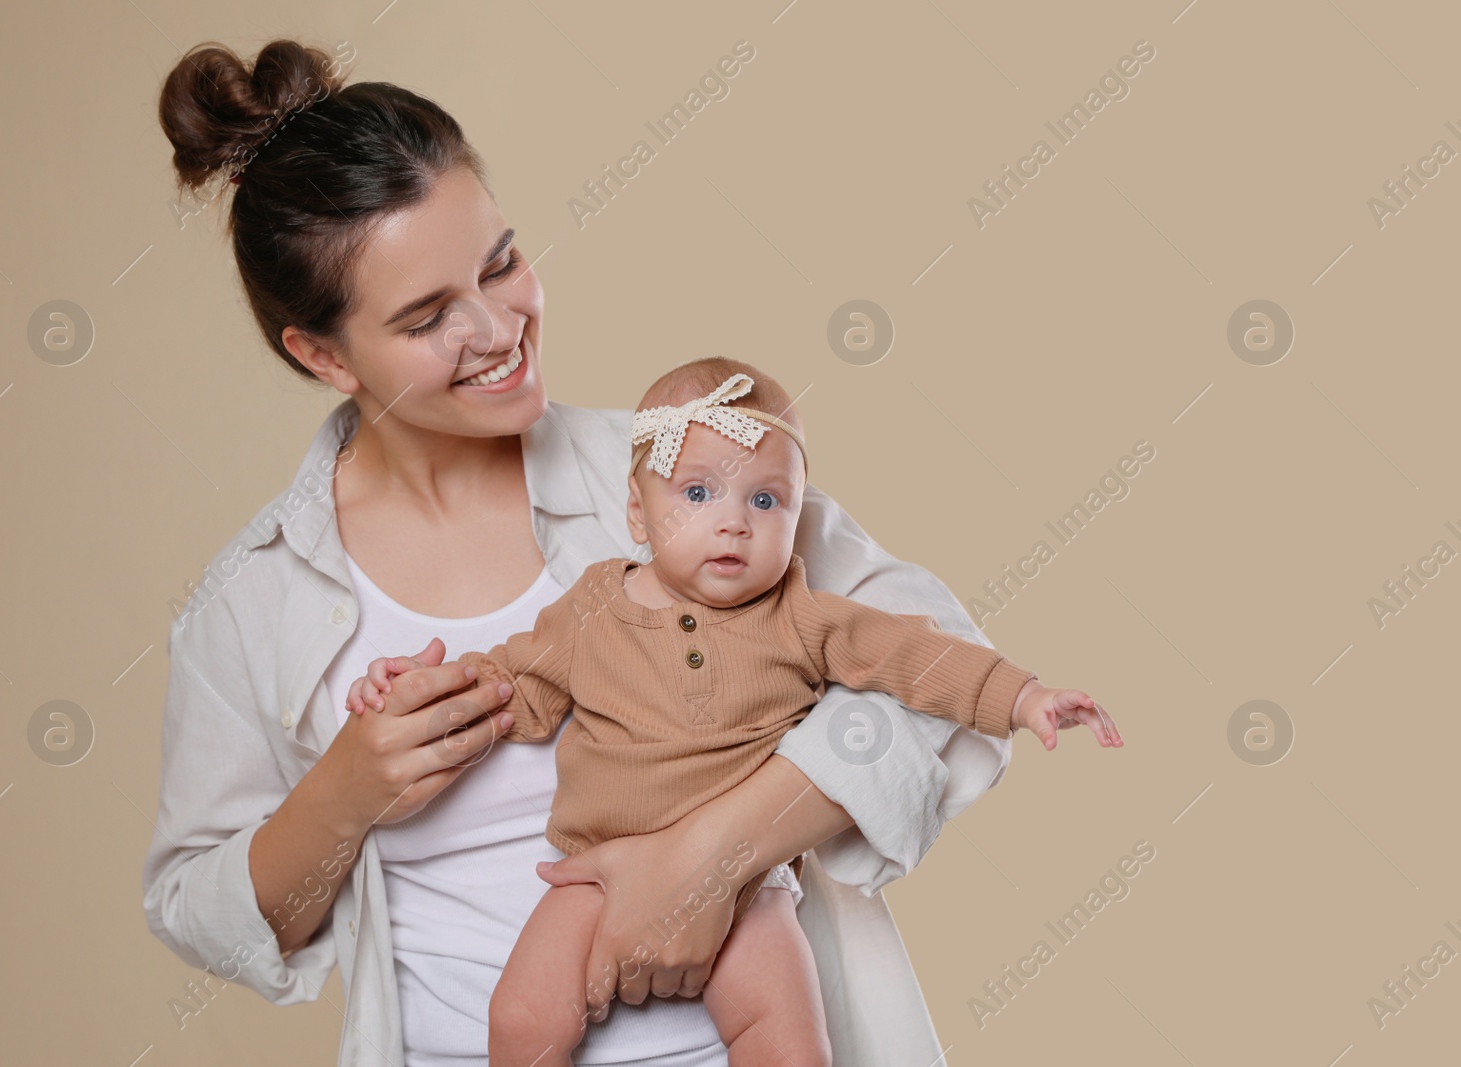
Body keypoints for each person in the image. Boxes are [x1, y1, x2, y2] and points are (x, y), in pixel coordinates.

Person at [142, 38, 1110, 1067]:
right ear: (322, 353)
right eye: (428, 316)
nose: (495, 326)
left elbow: (928, 665)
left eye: (501, 262)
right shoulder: (253, 597)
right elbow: (199, 909)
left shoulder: (683, 471)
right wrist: (342, 792)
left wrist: (711, 855)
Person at [343, 359, 1120, 1065]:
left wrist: (1022, 695)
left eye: (766, 498)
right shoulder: (594, 610)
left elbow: (914, 654)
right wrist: (417, 690)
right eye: (697, 493)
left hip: (751, 888)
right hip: (595, 876)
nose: (735, 521)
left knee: (788, 1042)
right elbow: (510, 680)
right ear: (639, 517)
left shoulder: (803, 617)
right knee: (520, 1018)